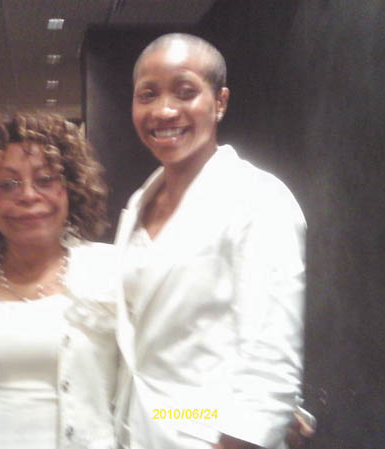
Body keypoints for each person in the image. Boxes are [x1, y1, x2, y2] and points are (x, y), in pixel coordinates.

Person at [113, 33, 307, 449]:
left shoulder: (258, 199)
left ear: (219, 102)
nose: (163, 111)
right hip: (147, 426)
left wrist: (250, 429)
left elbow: (270, 361)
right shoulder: (137, 204)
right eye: (147, 94)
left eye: (185, 92)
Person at [0, 112, 120, 449]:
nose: (27, 195)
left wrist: (203, 424)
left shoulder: (111, 271)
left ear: (71, 189)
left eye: (45, 179)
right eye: (8, 184)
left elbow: (159, 383)